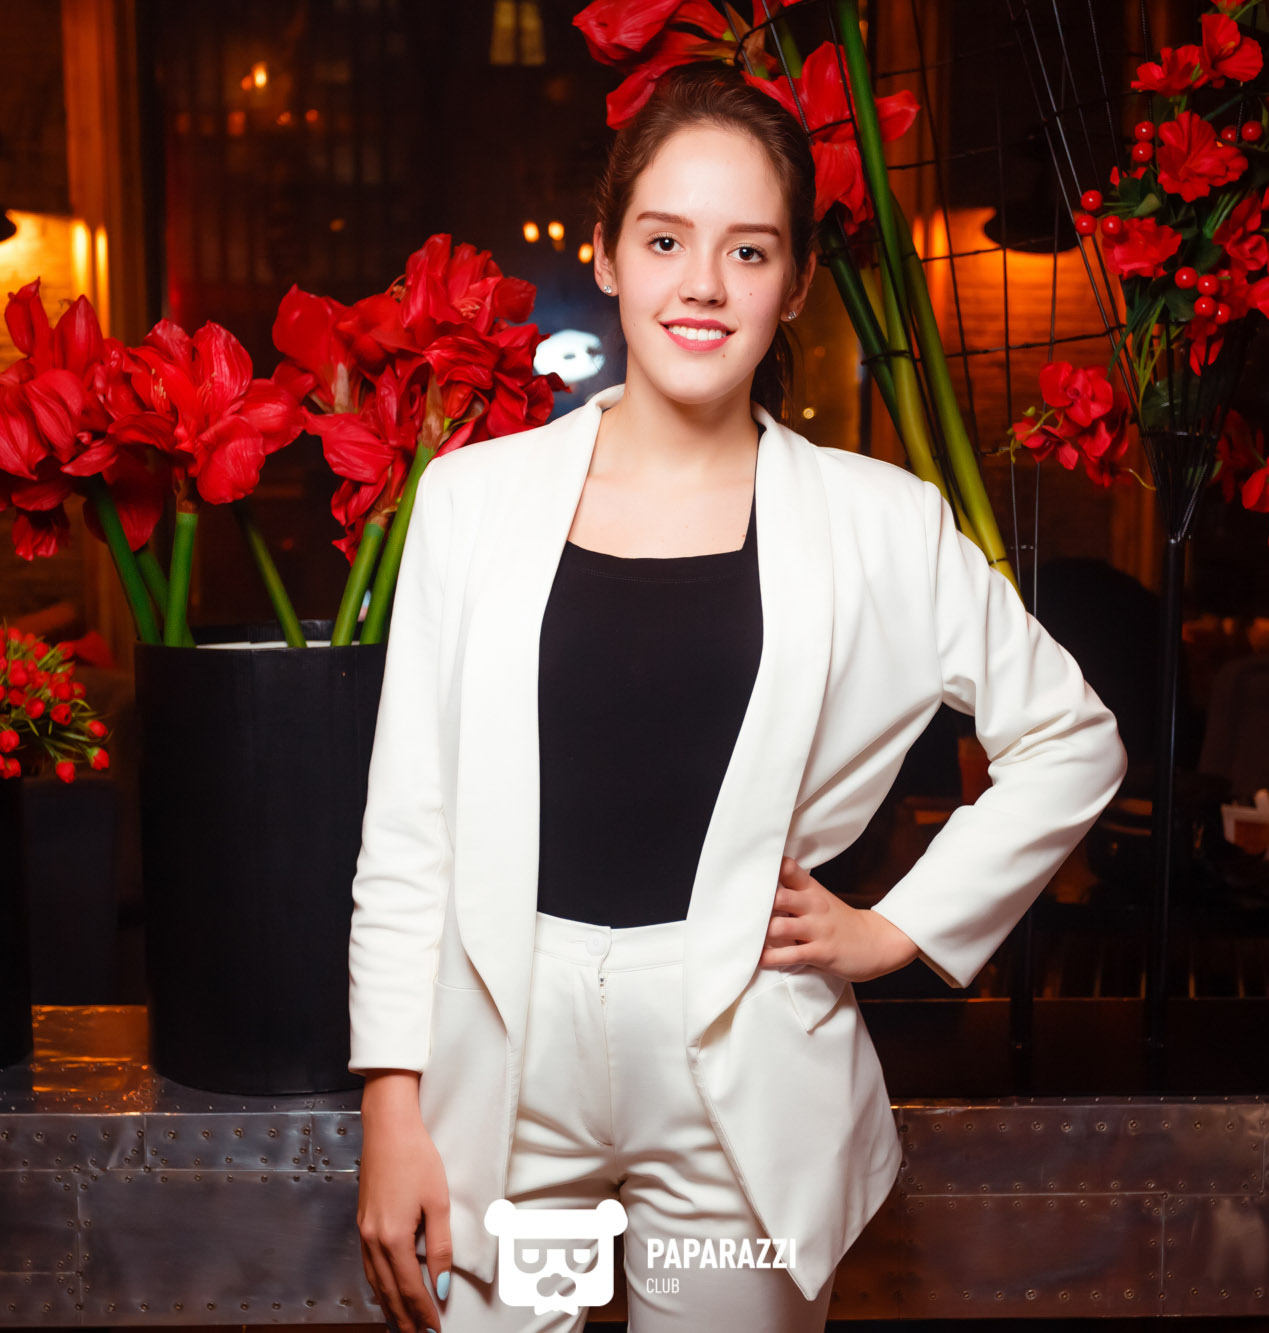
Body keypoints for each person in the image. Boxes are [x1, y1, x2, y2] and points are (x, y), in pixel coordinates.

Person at [348, 64, 1127, 1333]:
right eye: (664, 240)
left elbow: (1070, 739)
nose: (701, 284)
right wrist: (391, 1102)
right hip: (502, 1068)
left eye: (747, 250)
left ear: (795, 281)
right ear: (605, 253)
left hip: (738, 1073)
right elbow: (408, 828)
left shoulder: (879, 522)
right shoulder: (470, 502)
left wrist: (897, 927)